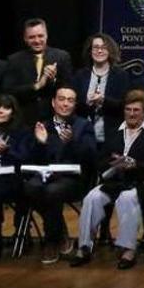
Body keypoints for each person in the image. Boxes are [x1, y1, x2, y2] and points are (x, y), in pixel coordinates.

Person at [70, 90, 144, 269]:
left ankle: (128, 249)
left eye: (136, 110)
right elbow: (101, 160)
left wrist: (135, 164)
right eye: (128, 109)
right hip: (115, 181)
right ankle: (84, 246)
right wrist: (113, 163)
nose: (131, 113)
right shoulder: (114, 133)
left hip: (141, 183)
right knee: (92, 197)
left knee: (127, 198)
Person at [25, 85, 96, 264]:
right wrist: (40, 143)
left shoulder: (83, 125)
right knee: (29, 187)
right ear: (53, 102)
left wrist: (72, 142)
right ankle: (61, 234)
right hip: (45, 177)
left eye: (70, 100)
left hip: (72, 180)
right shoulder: (43, 125)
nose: (65, 104)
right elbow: (31, 159)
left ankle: (51, 240)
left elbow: (90, 158)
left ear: (75, 104)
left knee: (51, 191)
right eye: (61, 99)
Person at [1, 18, 73, 125]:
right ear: (25, 38)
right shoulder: (14, 60)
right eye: (32, 37)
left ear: (46, 35)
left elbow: (69, 89)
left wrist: (53, 80)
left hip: (53, 121)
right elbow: (8, 92)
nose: (37, 40)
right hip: (23, 122)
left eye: (40, 36)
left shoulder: (62, 57)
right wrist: (36, 86)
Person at [72, 33, 130, 147]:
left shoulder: (120, 76)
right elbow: (73, 104)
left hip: (111, 136)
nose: (99, 51)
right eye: (96, 47)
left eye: (104, 47)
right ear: (90, 51)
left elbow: (125, 105)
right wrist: (86, 103)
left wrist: (103, 100)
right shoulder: (80, 75)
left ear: (110, 51)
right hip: (83, 137)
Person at [0, 94, 31, 260]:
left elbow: (25, 158)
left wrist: (7, 150)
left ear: (13, 112)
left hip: (14, 179)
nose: (1, 111)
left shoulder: (22, 132)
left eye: (6, 108)